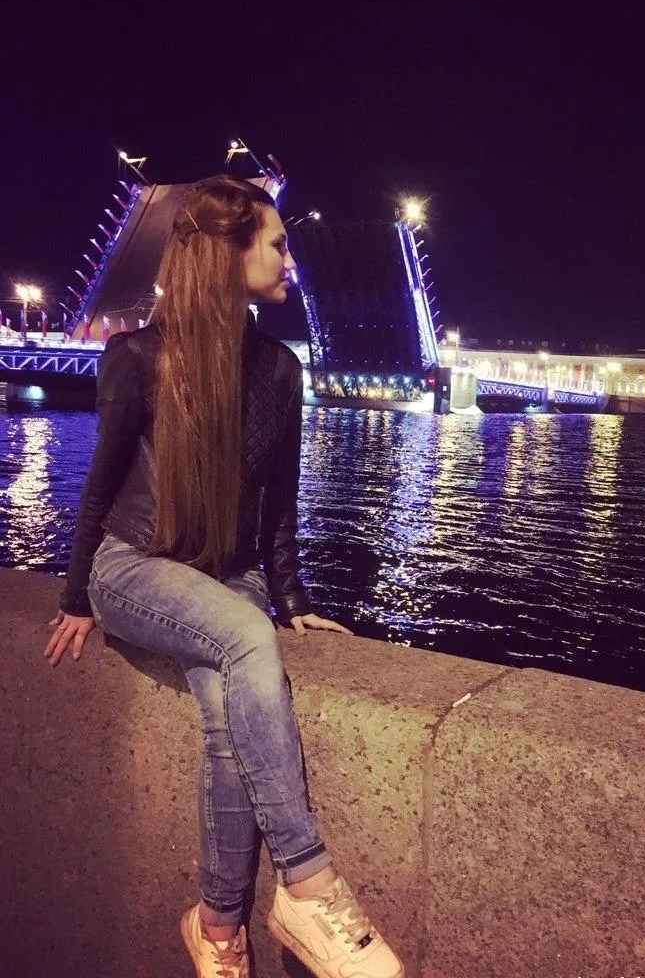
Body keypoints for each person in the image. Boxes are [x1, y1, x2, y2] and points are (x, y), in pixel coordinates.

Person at [43, 174, 405, 978]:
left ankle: (217, 932)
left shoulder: (278, 369)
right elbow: (100, 487)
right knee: (245, 637)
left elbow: (281, 500)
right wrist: (75, 596)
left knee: (226, 719)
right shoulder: (136, 359)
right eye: (277, 245)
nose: (291, 262)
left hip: (229, 575)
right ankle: (307, 881)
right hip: (135, 566)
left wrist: (293, 596)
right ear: (228, 255)